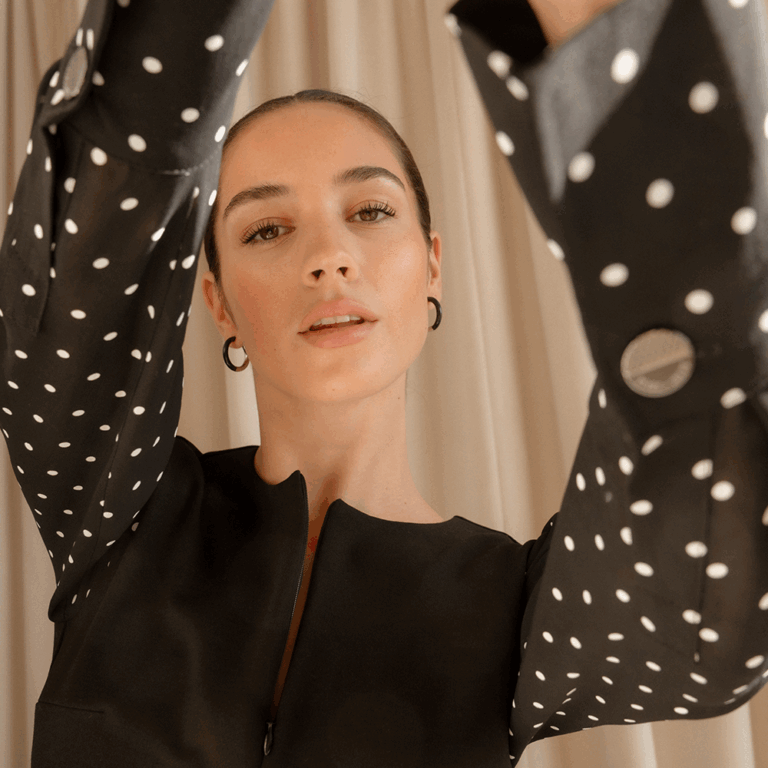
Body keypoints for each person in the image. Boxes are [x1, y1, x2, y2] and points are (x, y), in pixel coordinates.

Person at [2, 0, 768, 765]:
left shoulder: (516, 612)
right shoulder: (120, 516)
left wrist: (612, 48)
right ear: (218, 300)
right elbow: (95, 236)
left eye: (369, 211)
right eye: (267, 228)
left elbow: (708, 608)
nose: (328, 256)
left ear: (431, 265)